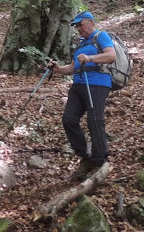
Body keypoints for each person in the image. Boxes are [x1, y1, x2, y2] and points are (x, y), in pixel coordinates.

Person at [48, 11, 116, 179]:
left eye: (80, 24)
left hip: (97, 83)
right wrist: (58, 69)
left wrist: (90, 58)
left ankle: (100, 161)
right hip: (78, 84)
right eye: (76, 26)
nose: (78, 28)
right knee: (69, 119)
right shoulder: (80, 44)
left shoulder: (101, 36)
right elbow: (72, 67)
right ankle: (86, 156)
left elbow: (111, 56)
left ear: (91, 22)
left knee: (95, 121)